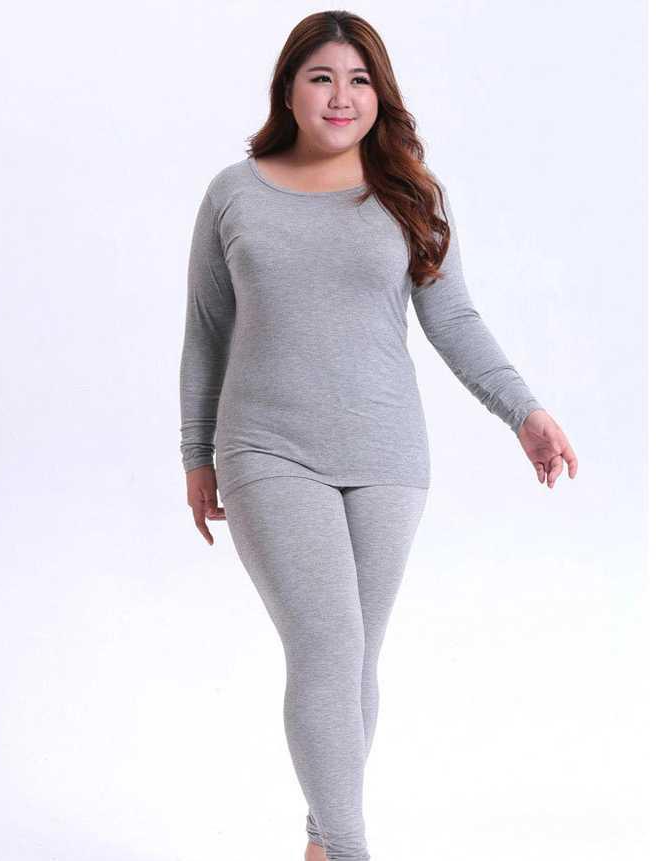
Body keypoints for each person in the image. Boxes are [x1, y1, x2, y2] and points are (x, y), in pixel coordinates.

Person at [178, 11, 577, 861]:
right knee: (326, 644)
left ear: (380, 93)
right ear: (289, 88)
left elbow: (454, 319)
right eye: (322, 77)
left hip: (388, 454)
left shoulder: (410, 192)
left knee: (357, 657)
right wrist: (193, 452)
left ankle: (322, 843)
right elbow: (206, 331)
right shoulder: (233, 193)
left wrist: (525, 410)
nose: (341, 96)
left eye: (359, 80)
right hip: (266, 448)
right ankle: (355, 850)